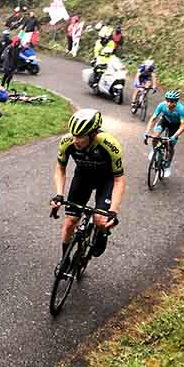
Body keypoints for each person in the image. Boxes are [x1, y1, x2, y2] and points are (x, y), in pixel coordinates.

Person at [50, 109, 125, 272]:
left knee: (100, 219)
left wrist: (113, 211)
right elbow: (60, 169)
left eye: (81, 136)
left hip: (107, 180)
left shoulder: (110, 145)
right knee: (70, 221)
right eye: (74, 135)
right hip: (83, 177)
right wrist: (59, 195)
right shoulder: (67, 142)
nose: (75, 140)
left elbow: (119, 180)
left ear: (93, 134)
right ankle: (65, 260)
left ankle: (102, 234)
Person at [144, 90, 184, 178]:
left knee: (170, 144)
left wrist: (174, 136)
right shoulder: (161, 105)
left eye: (171, 101)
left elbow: (183, 126)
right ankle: (154, 150)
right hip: (164, 121)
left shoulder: (181, 109)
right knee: (155, 137)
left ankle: (167, 166)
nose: (168, 103)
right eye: (167, 100)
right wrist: (147, 131)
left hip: (175, 126)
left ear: (176, 101)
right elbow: (153, 118)